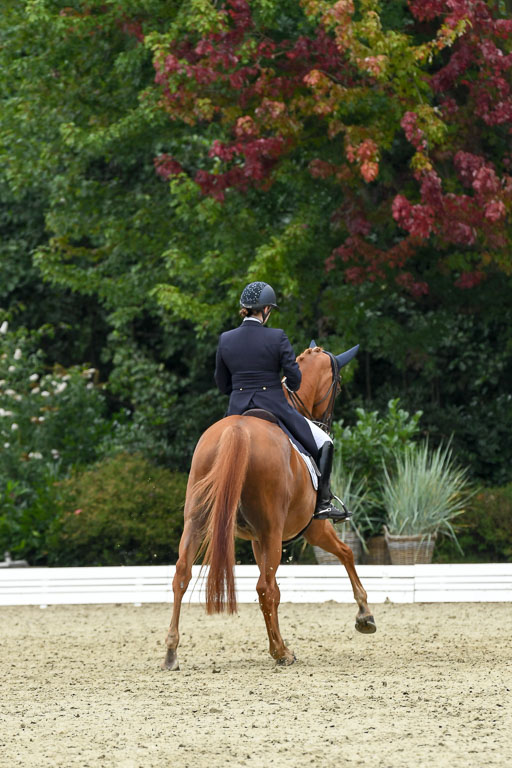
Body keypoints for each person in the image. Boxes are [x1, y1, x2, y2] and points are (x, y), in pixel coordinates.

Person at [214, 281, 350, 522]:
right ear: (266, 310)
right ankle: (323, 504)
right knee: (325, 442)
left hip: (236, 409)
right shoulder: (276, 337)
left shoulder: (226, 339)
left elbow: (223, 384)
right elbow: (295, 381)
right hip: (274, 407)